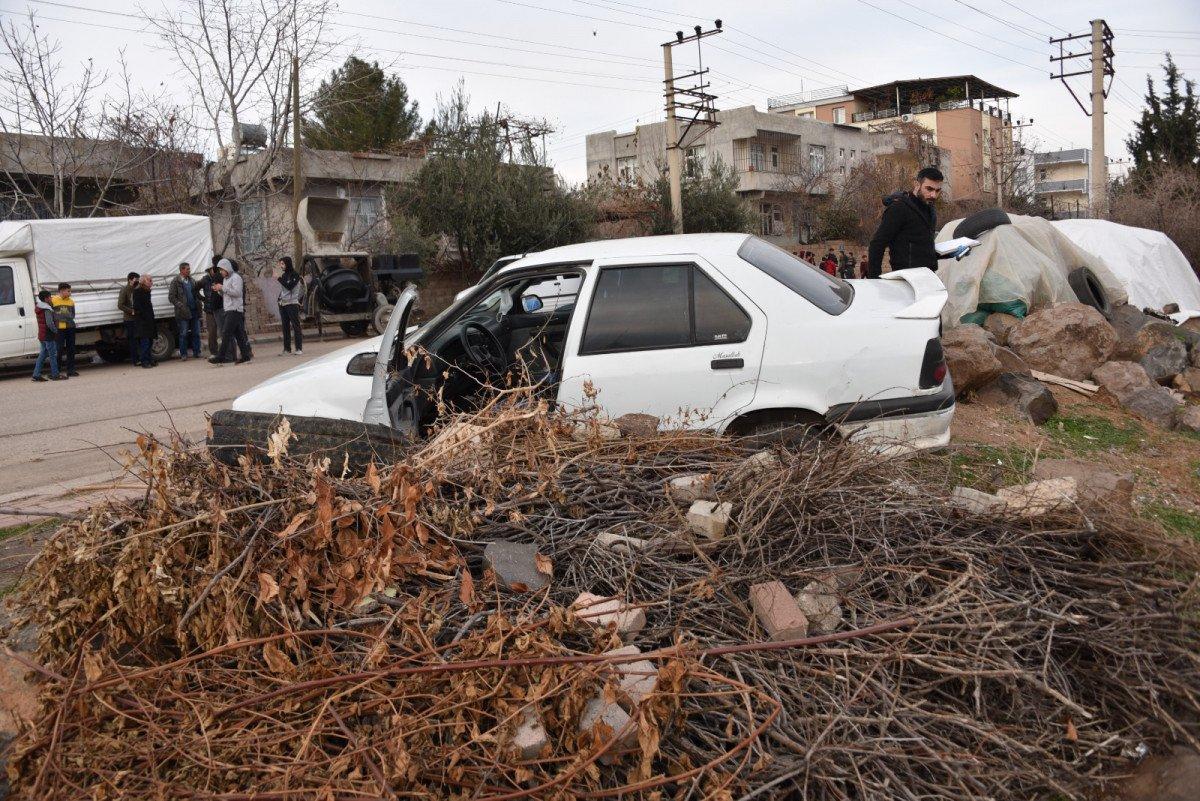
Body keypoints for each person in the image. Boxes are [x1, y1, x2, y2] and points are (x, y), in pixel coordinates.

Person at [866, 166, 968, 279]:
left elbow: (922, 250)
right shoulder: (899, 208)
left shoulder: (930, 210)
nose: (933, 195)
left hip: (928, 276)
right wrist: (874, 280)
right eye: (929, 189)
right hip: (906, 278)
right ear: (917, 184)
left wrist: (950, 253)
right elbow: (877, 244)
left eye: (937, 190)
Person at [209, 258, 252, 365]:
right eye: (219, 270)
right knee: (239, 334)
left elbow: (237, 293)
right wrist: (219, 290)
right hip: (229, 309)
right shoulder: (226, 279)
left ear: (227, 268)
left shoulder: (236, 278)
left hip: (235, 309)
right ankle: (246, 356)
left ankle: (221, 356)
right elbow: (226, 294)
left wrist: (222, 288)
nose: (221, 272)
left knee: (226, 332)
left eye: (222, 270)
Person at [169, 262, 202, 360]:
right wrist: (180, 305)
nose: (189, 270)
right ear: (182, 270)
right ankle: (183, 354)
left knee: (196, 333)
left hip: (194, 311)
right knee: (183, 334)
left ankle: (197, 352)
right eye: (187, 269)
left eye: (189, 269)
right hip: (183, 313)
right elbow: (171, 297)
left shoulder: (191, 280)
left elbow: (196, 294)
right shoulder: (175, 281)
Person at [31, 290, 63, 382]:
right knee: (53, 355)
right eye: (50, 297)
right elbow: (49, 323)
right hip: (48, 335)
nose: (51, 298)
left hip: (41, 334)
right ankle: (55, 374)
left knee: (43, 354)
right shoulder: (47, 309)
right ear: (46, 299)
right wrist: (56, 331)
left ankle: (36, 374)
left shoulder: (39, 307)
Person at [276, 256, 305, 355]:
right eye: (280, 264)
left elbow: (289, 286)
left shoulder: (295, 275)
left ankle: (299, 348)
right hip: (283, 303)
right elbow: (283, 290)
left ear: (288, 263)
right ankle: (287, 349)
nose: (281, 266)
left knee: (296, 326)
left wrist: (279, 279)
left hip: (292, 303)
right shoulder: (284, 275)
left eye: (283, 264)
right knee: (285, 327)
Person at [198, 259, 225, 356]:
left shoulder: (220, 277)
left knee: (223, 330)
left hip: (220, 307)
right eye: (213, 269)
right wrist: (203, 298)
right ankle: (214, 351)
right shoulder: (205, 280)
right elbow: (195, 288)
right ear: (210, 270)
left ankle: (224, 350)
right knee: (212, 331)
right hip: (209, 309)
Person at [51, 282, 77, 376]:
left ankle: (71, 370)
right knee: (59, 349)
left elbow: (73, 314)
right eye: (68, 291)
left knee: (71, 349)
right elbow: (51, 315)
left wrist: (67, 319)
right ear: (62, 291)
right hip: (59, 328)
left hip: (70, 327)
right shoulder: (53, 300)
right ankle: (56, 370)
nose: (70, 293)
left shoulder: (71, 301)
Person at [133, 275, 157, 368]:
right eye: (150, 280)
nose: (151, 282)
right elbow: (137, 306)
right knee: (145, 342)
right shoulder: (138, 291)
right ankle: (144, 361)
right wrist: (144, 316)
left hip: (149, 320)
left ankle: (149, 359)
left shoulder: (147, 291)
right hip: (142, 322)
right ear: (144, 281)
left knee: (150, 341)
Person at [117, 271, 140, 363]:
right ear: (130, 280)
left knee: (139, 339)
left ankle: (141, 357)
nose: (137, 281)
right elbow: (120, 305)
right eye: (136, 280)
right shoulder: (125, 290)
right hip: (129, 319)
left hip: (138, 318)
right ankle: (135, 359)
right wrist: (131, 311)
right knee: (133, 340)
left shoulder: (137, 289)